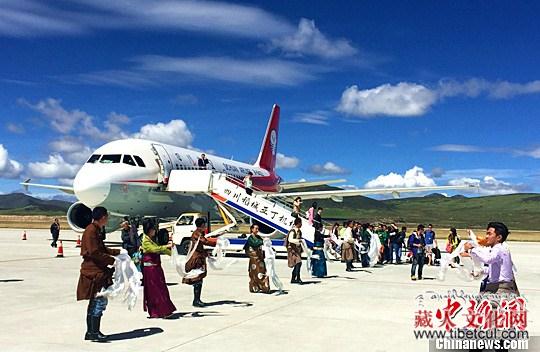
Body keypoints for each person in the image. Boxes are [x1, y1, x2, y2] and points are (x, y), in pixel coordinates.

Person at [76, 206, 120, 342]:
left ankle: (91, 331)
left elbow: (100, 248)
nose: (107, 219)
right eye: (107, 217)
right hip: (94, 271)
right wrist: (112, 260)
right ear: (103, 217)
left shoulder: (95, 230)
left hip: (97, 270)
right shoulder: (91, 231)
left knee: (94, 302)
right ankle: (94, 332)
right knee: (99, 301)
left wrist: (116, 252)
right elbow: (94, 252)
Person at [461, 222, 519, 296]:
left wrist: (471, 250)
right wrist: (481, 271)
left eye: (489, 234)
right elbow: (496, 269)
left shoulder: (499, 248)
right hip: (495, 285)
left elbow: (488, 259)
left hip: (501, 287)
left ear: (499, 237)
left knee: (488, 305)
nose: (486, 236)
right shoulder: (497, 248)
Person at [141, 220, 176, 318]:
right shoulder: (145, 241)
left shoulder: (150, 239)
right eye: (153, 229)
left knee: (161, 288)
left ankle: (162, 310)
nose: (154, 231)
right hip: (150, 269)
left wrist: (172, 254)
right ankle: (161, 311)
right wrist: (167, 247)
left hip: (156, 268)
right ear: (149, 230)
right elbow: (155, 249)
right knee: (156, 290)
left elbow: (160, 249)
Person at [182, 218, 217, 307]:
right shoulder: (197, 234)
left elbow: (200, 246)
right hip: (196, 260)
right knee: (197, 279)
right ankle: (196, 300)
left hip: (199, 258)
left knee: (199, 279)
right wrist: (217, 242)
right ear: (202, 225)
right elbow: (204, 242)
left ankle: (197, 299)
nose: (205, 226)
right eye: (204, 225)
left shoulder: (199, 233)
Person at [244, 224, 270, 293]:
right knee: (255, 272)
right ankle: (255, 285)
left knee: (262, 271)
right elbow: (255, 244)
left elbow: (262, 243)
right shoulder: (250, 238)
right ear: (252, 229)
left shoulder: (258, 237)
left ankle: (263, 285)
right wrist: (262, 242)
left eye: (258, 229)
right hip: (254, 259)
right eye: (256, 229)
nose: (257, 230)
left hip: (260, 258)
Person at [287, 217, 303, 284]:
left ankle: (293, 278)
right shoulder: (293, 231)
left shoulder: (299, 231)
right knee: (298, 263)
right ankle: (298, 278)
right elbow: (290, 240)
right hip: (293, 251)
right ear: (298, 223)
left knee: (297, 264)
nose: (301, 224)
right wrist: (298, 241)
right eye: (300, 223)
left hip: (297, 250)